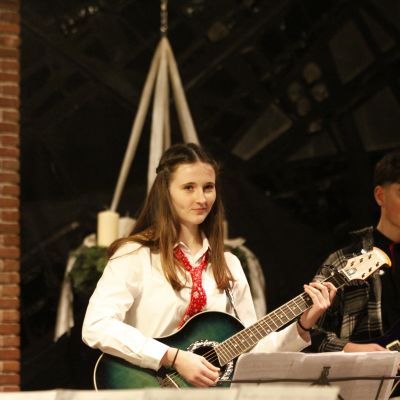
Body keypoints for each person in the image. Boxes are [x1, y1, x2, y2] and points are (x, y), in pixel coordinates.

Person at [82, 142, 336, 388]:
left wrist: (303, 324)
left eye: (208, 187)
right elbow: (96, 325)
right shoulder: (135, 255)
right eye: (189, 187)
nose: (201, 198)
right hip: (147, 389)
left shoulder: (229, 264)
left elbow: (252, 352)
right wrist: (173, 357)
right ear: (165, 192)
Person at [310, 149, 400, 353]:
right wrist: (351, 349)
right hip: (369, 371)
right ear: (380, 196)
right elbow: (308, 331)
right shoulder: (344, 260)